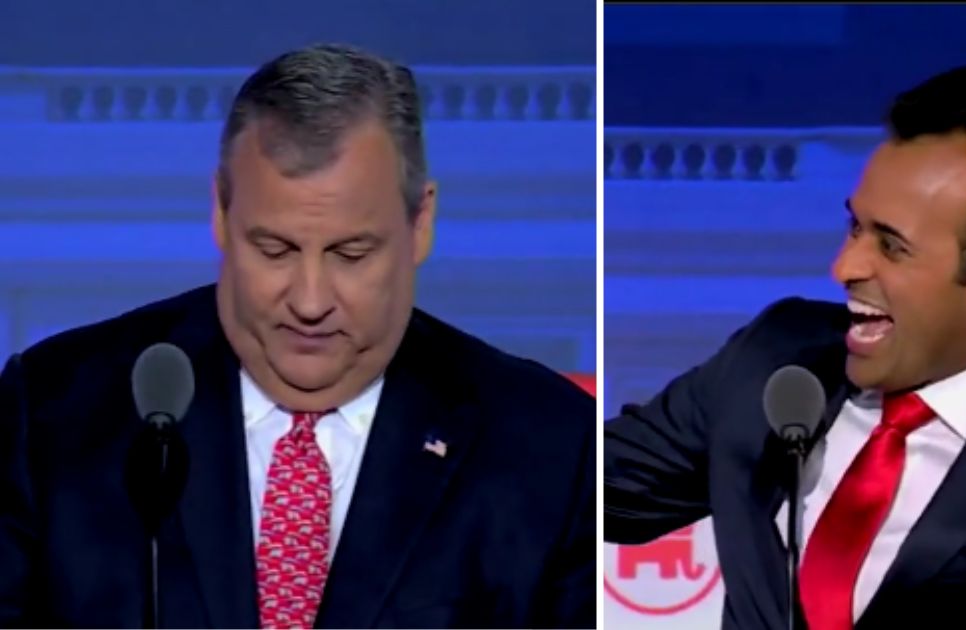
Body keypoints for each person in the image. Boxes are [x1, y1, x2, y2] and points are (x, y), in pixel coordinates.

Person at [0, 43, 595, 629]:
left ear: (420, 224)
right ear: (220, 213)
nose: (310, 301)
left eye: (350, 253)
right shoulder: (55, 416)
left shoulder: (547, 447)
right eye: (275, 249)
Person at [604, 64, 966, 630]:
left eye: (891, 247)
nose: (844, 266)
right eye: (855, 227)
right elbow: (585, 488)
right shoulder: (777, 360)